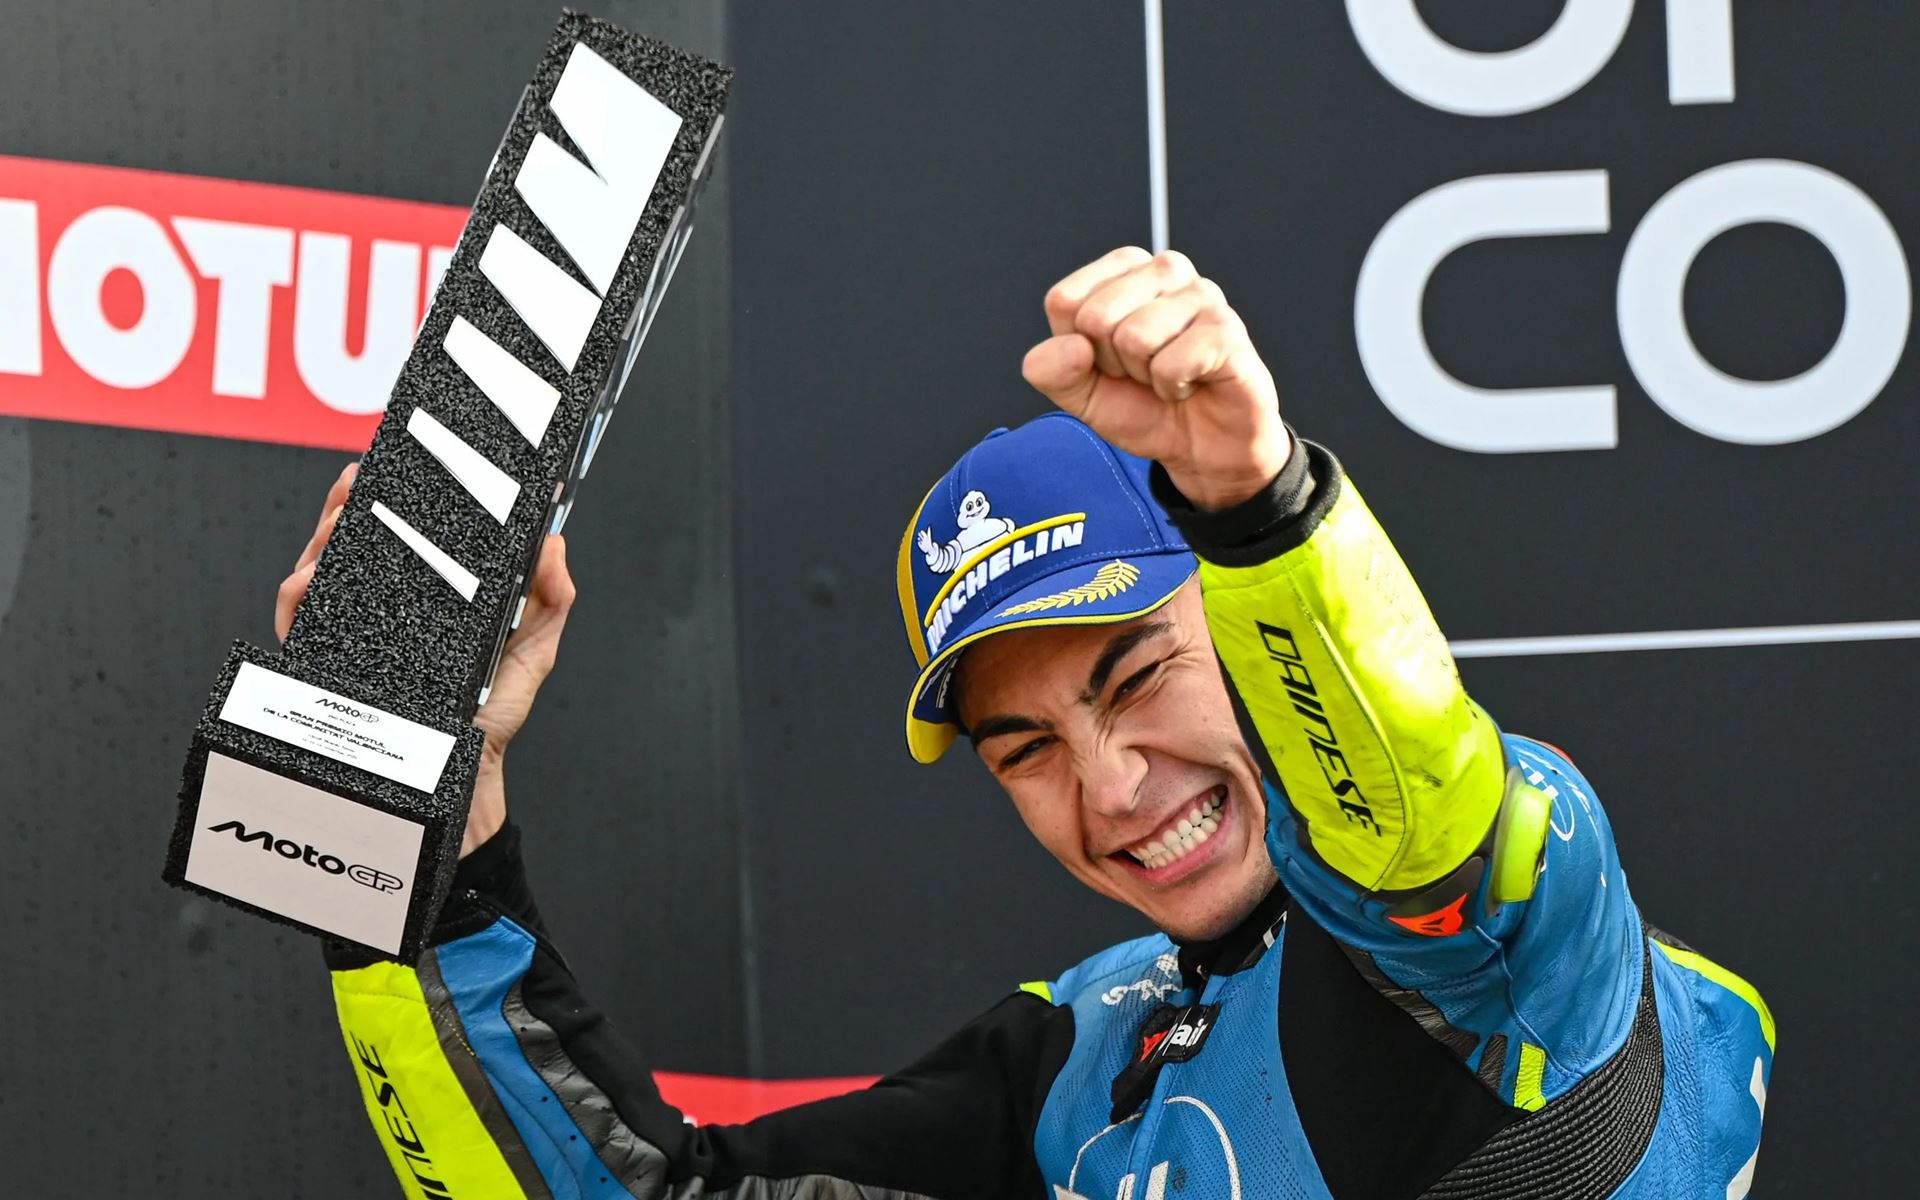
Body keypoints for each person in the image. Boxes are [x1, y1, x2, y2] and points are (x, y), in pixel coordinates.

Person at [289, 249, 1774, 1199]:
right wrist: (411, 824)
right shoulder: (1082, 1053)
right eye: (1029, 751)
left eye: (1137, 679)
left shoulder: (1511, 921)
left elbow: (1413, 823)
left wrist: (1258, 508)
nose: (1111, 787)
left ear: (1241, 623)